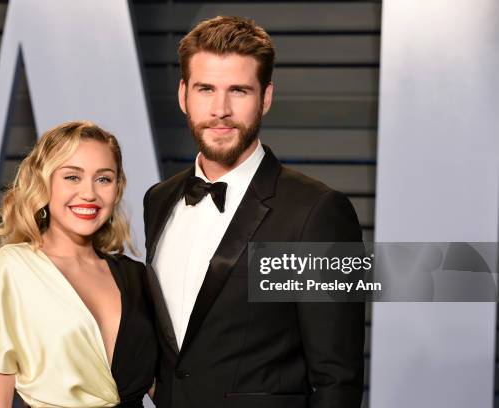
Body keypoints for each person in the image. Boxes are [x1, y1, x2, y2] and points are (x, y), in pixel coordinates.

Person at [143, 16, 365, 408]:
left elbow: (337, 378)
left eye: (239, 91)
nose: (220, 109)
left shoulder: (318, 212)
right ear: (183, 95)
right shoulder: (158, 201)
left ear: (265, 97)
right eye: (205, 89)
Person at [0, 121, 157, 407]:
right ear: (44, 183)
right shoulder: (12, 270)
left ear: (117, 188)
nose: (89, 193)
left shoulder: (136, 276)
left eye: (103, 179)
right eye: (72, 177)